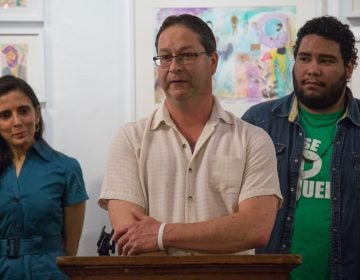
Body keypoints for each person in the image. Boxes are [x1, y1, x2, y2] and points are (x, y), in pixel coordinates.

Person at [99, 14, 282, 256]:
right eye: (165, 57)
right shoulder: (131, 139)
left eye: (187, 55)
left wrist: (161, 234)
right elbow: (130, 234)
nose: (174, 67)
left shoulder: (253, 140)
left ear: (213, 62)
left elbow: (255, 228)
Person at [242, 16, 359, 280]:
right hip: (270, 274)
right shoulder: (258, 123)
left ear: (349, 67)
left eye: (326, 60)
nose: (312, 69)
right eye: (304, 58)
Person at [0, 75, 88, 279]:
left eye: (23, 111)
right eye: (5, 115)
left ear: (36, 114)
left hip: (50, 273)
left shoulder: (66, 168)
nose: (17, 121)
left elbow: (70, 248)